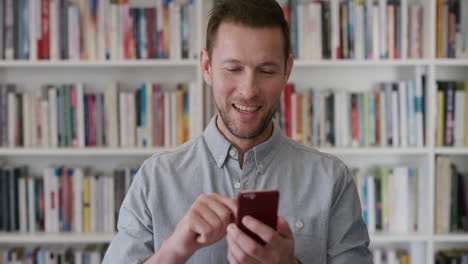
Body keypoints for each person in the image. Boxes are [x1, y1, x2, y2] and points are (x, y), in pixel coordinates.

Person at [102, 0, 372, 263]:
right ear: (207, 67)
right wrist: (173, 252)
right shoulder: (155, 179)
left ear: (287, 70)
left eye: (266, 70)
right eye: (233, 69)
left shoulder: (331, 180)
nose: (248, 90)